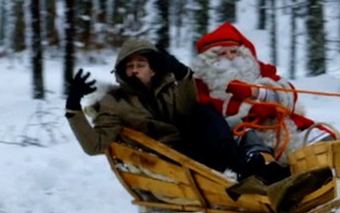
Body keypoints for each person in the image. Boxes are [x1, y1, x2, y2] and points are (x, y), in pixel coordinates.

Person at [64, 37, 284, 182]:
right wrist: (73, 106)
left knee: (206, 113)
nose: (134, 70)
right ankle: (249, 171)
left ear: (152, 70)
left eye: (140, 65)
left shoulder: (167, 89)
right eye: (129, 66)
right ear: (122, 72)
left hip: (194, 150)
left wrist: (182, 74)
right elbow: (95, 146)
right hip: (167, 160)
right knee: (210, 123)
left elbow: (189, 111)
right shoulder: (114, 102)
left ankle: (257, 171)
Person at [192, 22, 324, 168]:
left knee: (323, 142)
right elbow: (211, 115)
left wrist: (255, 92)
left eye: (234, 52)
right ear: (209, 60)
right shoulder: (200, 83)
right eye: (222, 54)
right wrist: (249, 108)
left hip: (283, 128)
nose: (230, 57)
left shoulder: (259, 70)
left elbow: (288, 94)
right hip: (241, 136)